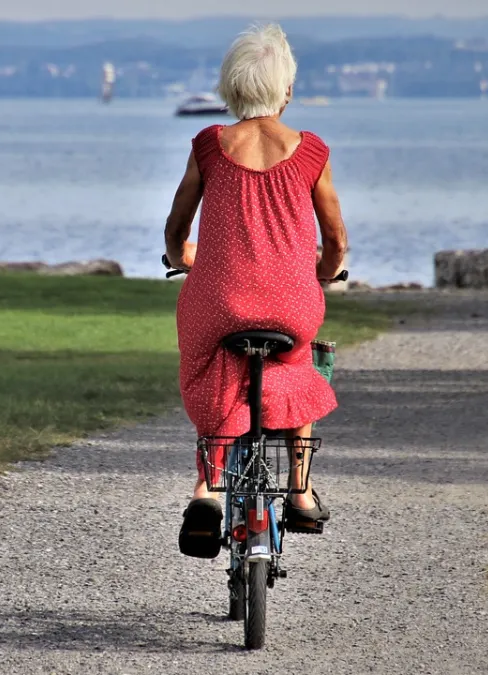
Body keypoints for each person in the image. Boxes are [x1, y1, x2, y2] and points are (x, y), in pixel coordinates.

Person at [162, 23, 349, 557]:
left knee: (212, 363)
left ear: (230, 88)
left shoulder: (209, 145)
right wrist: (326, 271)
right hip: (290, 303)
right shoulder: (311, 151)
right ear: (285, 90)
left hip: (218, 300)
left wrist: (183, 259)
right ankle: (301, 488)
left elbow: (177, 229)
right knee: (297, 366)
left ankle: (208, 490)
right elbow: (335, 238)